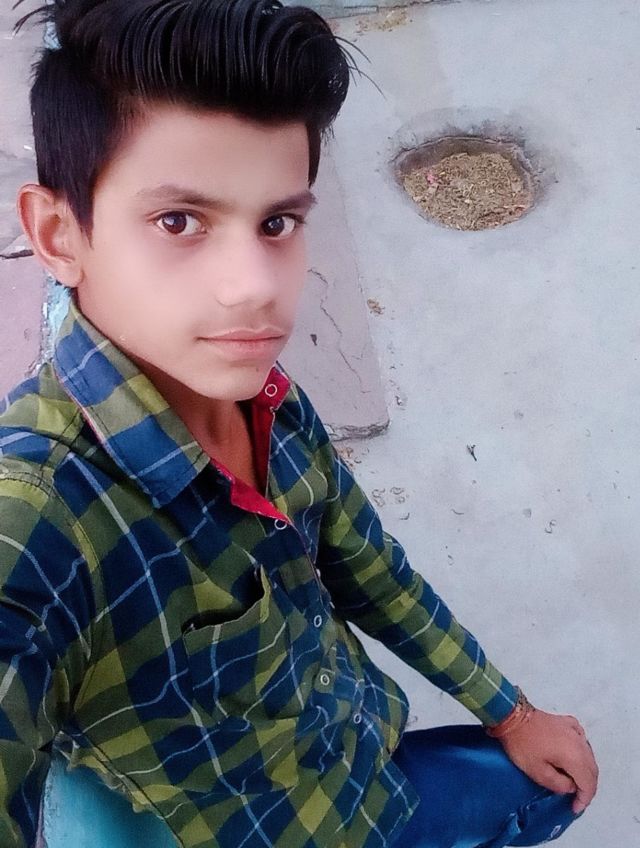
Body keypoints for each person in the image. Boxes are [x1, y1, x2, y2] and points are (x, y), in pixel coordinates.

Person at [0, 0, 598, 846]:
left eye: (276, 222)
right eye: (180, 222)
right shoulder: (41, 516)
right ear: (59, 234)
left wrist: (510, 711)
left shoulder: (266, 397)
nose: (254, 287)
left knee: (549, 791)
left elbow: (368, 566)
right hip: (257, 827)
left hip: (363, 764)